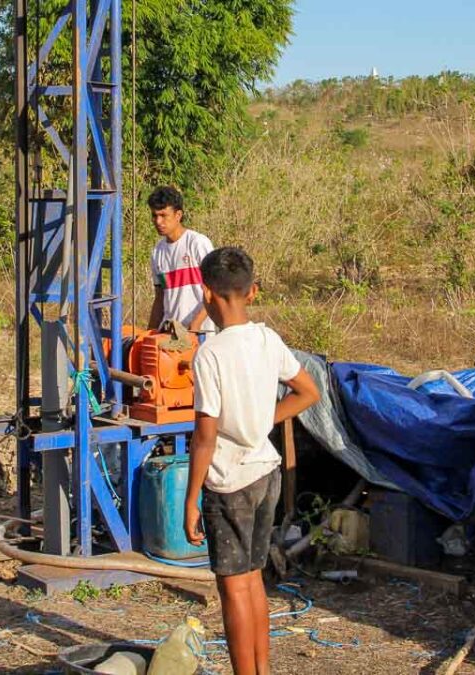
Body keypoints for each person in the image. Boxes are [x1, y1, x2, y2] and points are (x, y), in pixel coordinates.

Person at [183, 247, 320, 674]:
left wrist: (190, 500)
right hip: (266, 474)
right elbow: (308, 392)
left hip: (229, 481)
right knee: (254, 577)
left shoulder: (210, 354)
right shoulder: (267, 339)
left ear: (206, 295)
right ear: (252, 291)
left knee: (233, 589)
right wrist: (264, 420)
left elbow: (205, 436)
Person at [148, 186, 215, 333]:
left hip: (199, 334)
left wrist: (195, 325)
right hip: (169, 334)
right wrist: (150, 333)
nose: (158, 221)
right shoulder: (157, 252)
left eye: (163, 215)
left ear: (178, 215)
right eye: (154, 216)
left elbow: (215, 290)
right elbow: (160, 297)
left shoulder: (197, 243)